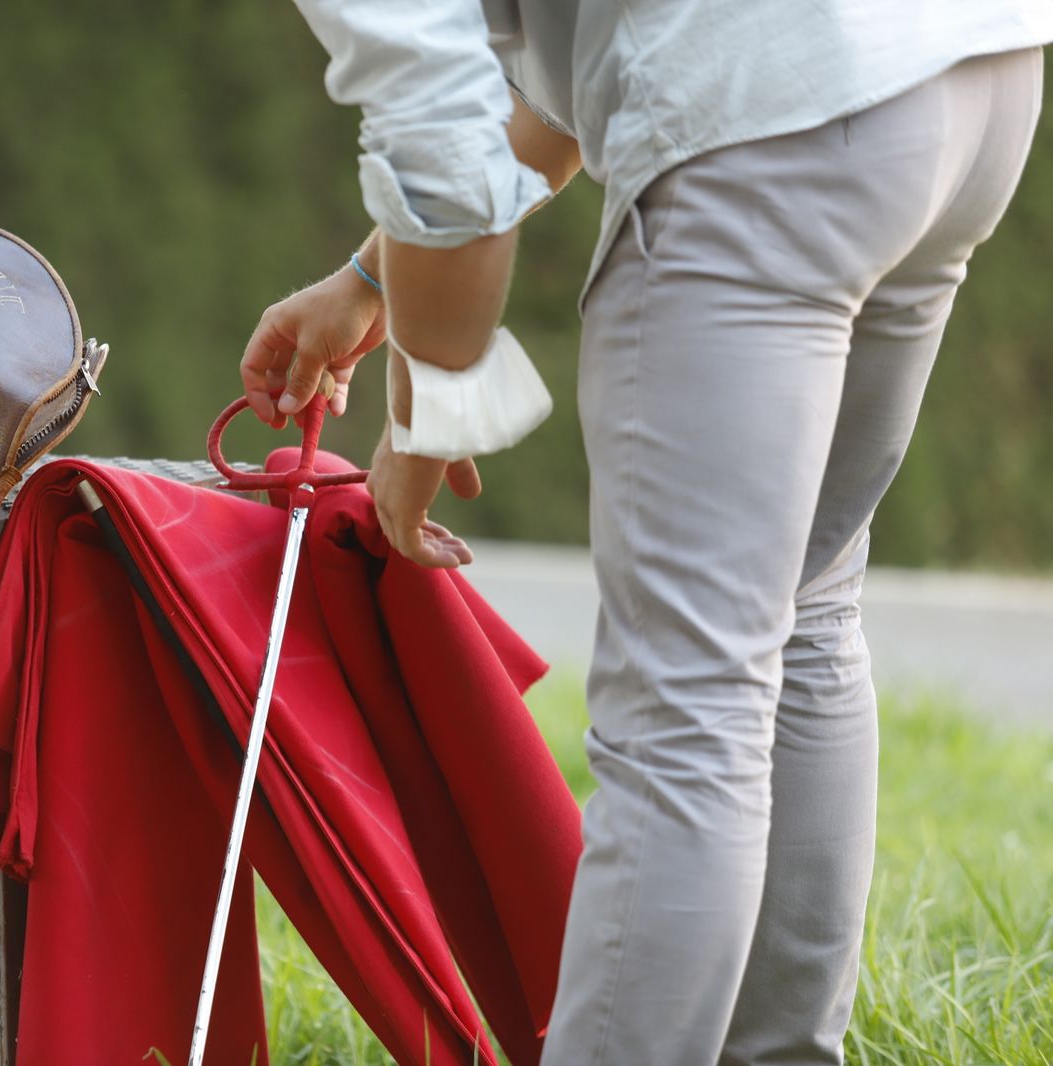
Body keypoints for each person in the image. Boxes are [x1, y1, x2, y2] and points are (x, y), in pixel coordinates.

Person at [238, 3, 1051, 1063]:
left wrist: (435, 400)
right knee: (800, 605)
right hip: (963, 73)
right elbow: (561, 86)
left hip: (769, 118)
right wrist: (368, 281)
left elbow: (442, 137)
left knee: (688, 702)